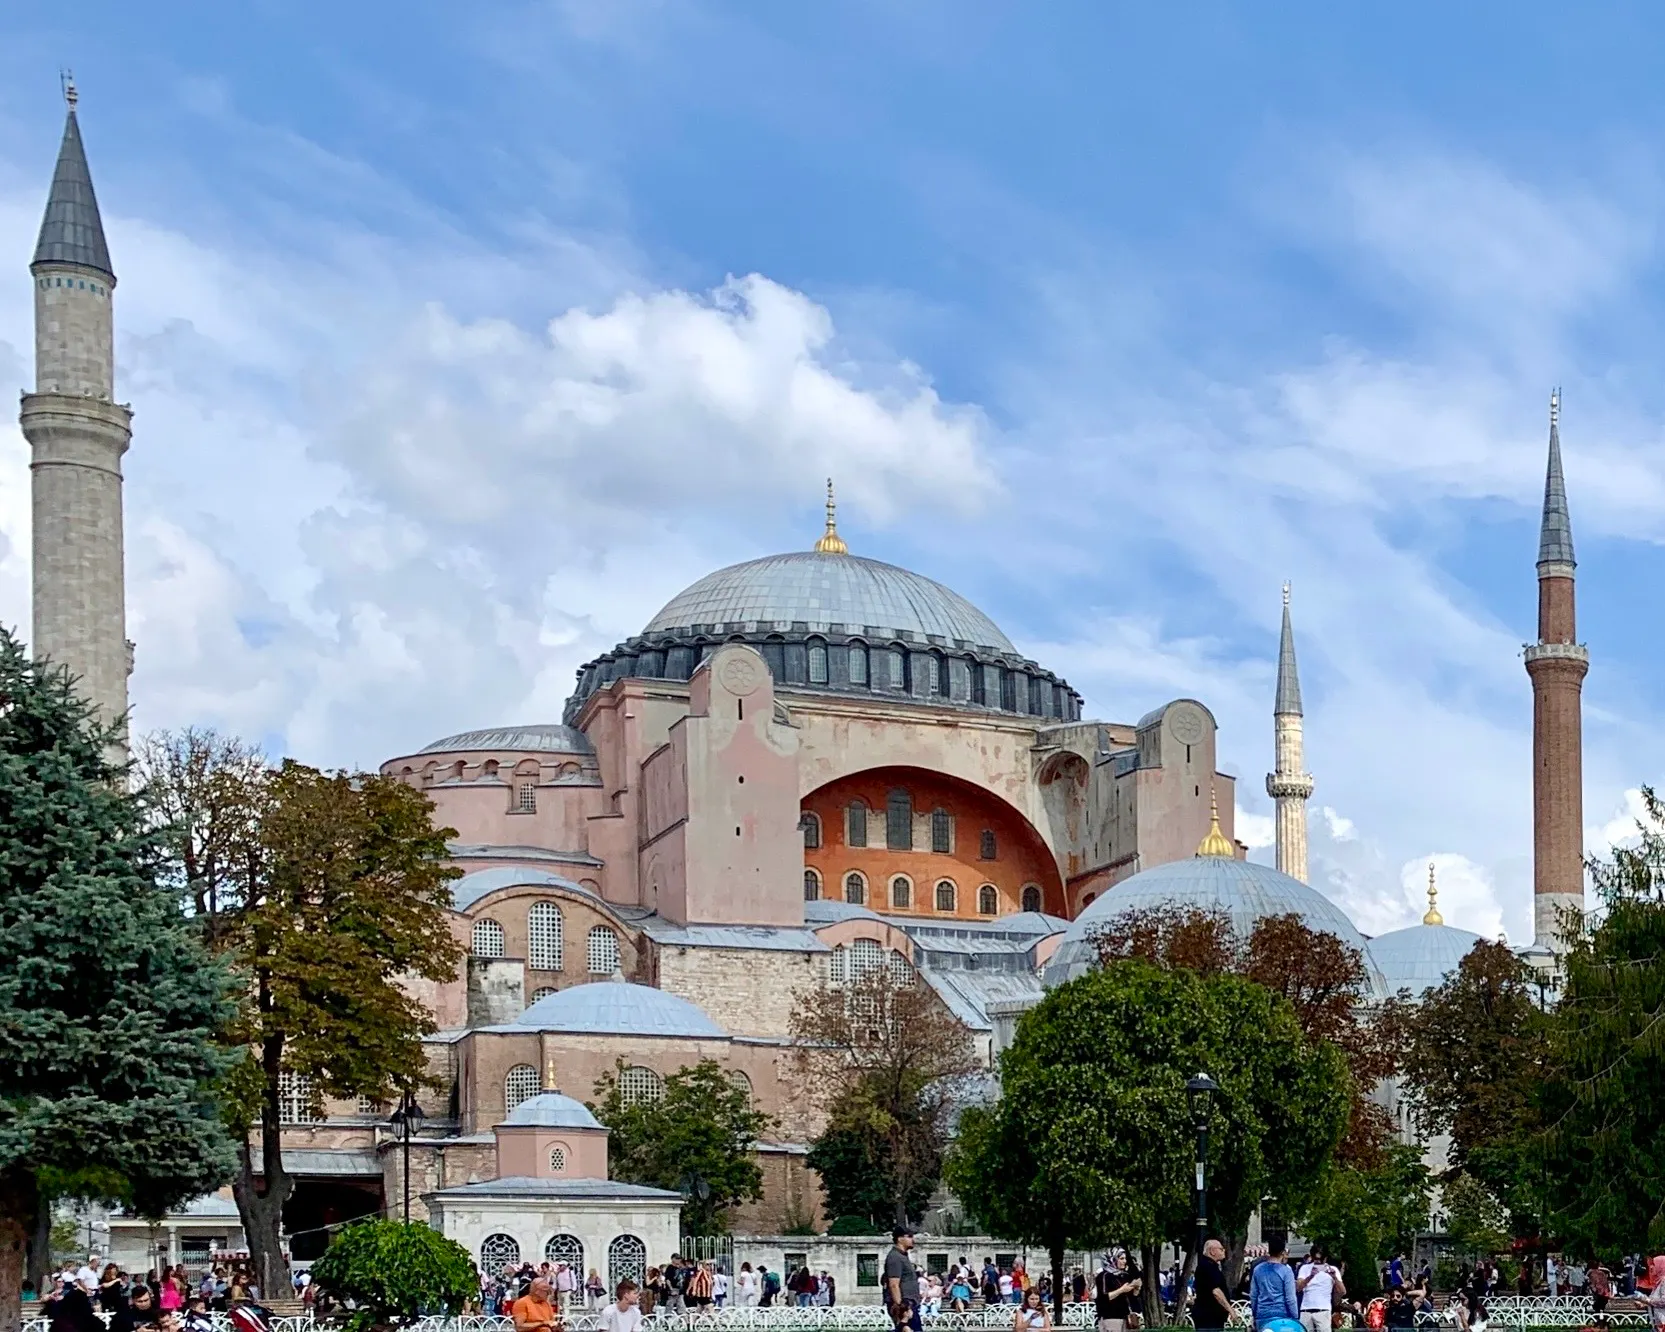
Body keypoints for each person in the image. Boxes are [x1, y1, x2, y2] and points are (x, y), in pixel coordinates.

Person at [1250, 1235, 1299, 1332]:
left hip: (1262, 1315)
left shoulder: (1258, 1269)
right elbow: (1290, 1298)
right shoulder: (1286, 1271)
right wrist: (1295, 1317)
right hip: (1282, 1315)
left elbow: (1253, 1295)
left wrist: (1254, 1314)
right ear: (1282, 1251)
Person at [1297, 1245, 1345, 1332]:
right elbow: (1298, 1288)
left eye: (1320, 1260)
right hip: (1305, 1310)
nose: (1318, 1262)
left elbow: (1342, 1291)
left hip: (1323, 1310)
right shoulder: (1304, 1268)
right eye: (1315, 1259)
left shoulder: (1332, 1269)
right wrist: (1310, 1277)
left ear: (1325, 1258)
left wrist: (1334, 1277)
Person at [885, 1227, 922, 1332]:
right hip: (905, 1304)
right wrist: (902, 1307)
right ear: (900, 1239)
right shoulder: (895, 1257)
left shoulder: (903, 1256)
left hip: (910, 1303)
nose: (913, 1240)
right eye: (909, 1237)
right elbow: (894, 1284)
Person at [1095, 1254, 1140, 1332]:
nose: (1124, 1261)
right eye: (1121, 1258)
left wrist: (1137, 1288)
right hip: (1110, 1317)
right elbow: (1103, 1298)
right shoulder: (1104, 1276)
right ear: (1113, 1260)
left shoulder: (1124, 1275)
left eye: (1125, 1258)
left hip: (1125, 1317)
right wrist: (1121, 1290)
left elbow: (1132, 1297)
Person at [1194, 1240, 1232, 1332]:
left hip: (1212, 1316)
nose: (1224, 1251)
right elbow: (1216, 1291)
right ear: (1212, 1251)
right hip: (1208, 1316)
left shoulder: (1211, 1266)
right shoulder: (1207, 1267)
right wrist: (1231, 1310)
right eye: (1221, 1249)